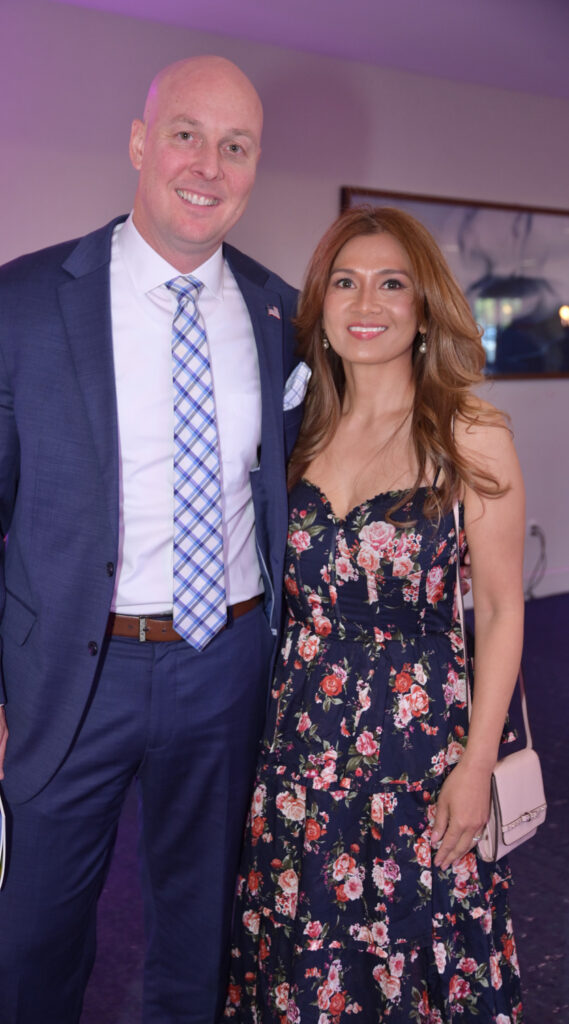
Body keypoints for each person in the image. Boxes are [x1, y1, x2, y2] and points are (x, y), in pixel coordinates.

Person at [0, 56, 303, 1024]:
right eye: (186, 135)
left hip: (225, 665)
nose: (208, 166)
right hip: (63, 672)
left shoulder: (281, 313)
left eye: (236, 146)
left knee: (203, 930)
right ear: (140, 143)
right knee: (27, 939)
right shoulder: (19, 301)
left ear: (255, 166)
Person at [224, 206, 525, 1021]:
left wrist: (476, 765)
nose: (365, 303)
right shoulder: (294, 435)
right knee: (301, 946)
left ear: (422, 308)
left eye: (391, 284)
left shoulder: (468, 433)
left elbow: (502, 609)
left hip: (420, 750)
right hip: (298, 746)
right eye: (345, 283)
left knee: (415, 945)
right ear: (318, 308)